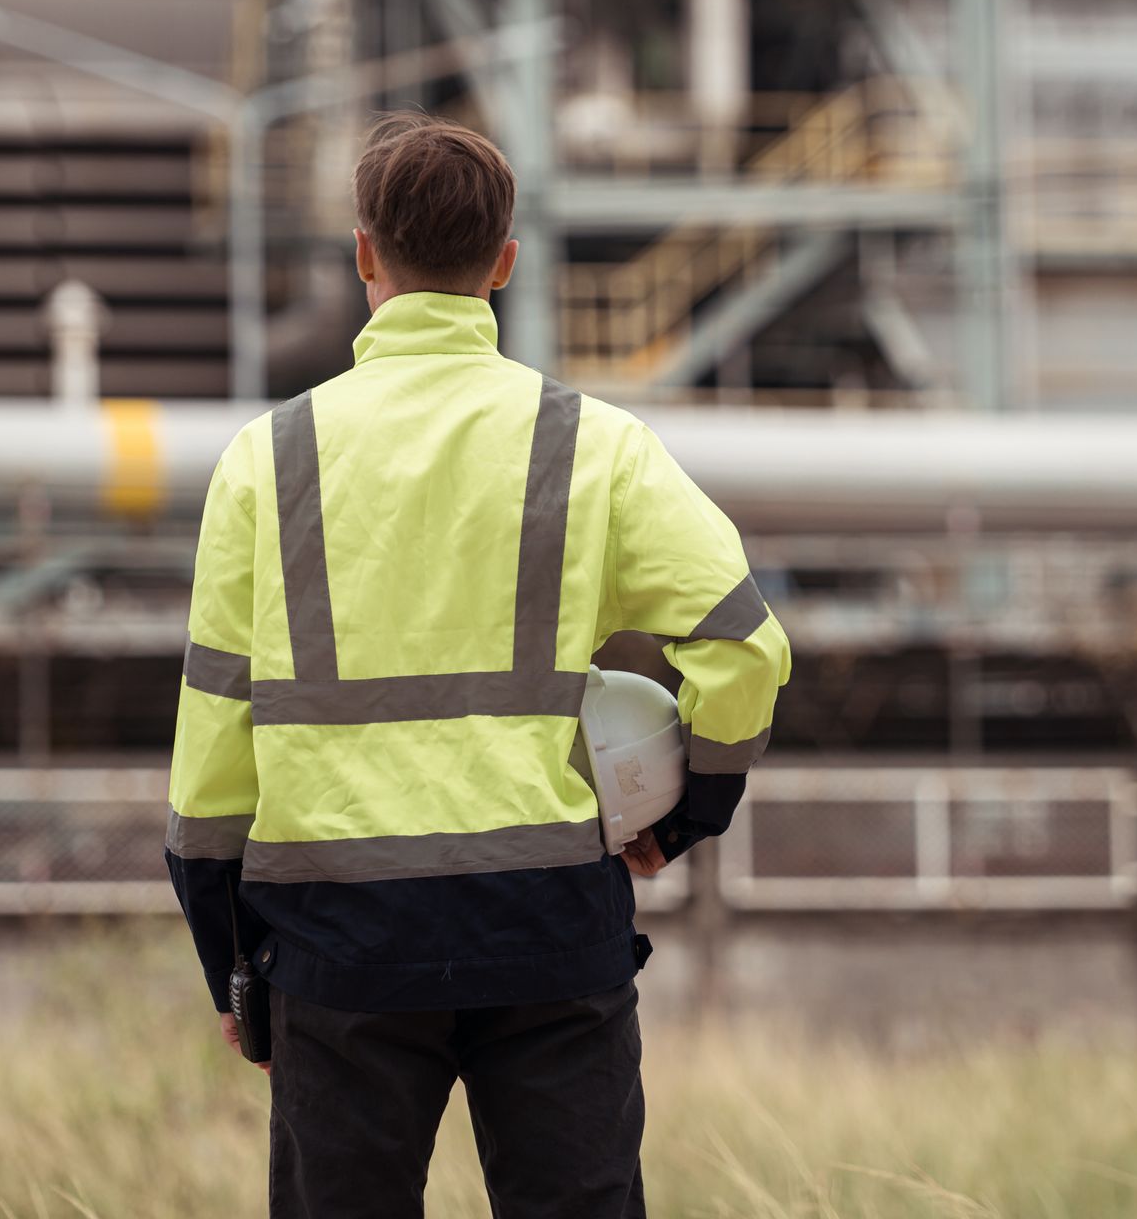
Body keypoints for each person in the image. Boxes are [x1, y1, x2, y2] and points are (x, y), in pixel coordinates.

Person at [164, 111, 792, 1219]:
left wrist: (234, 960)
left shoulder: (266, 463)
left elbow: (215, 745)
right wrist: (691, 808)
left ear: (365, 255)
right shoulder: (593, 444)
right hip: (547, 930)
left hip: (336, 943)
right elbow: (745, 644)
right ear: (503, 265)